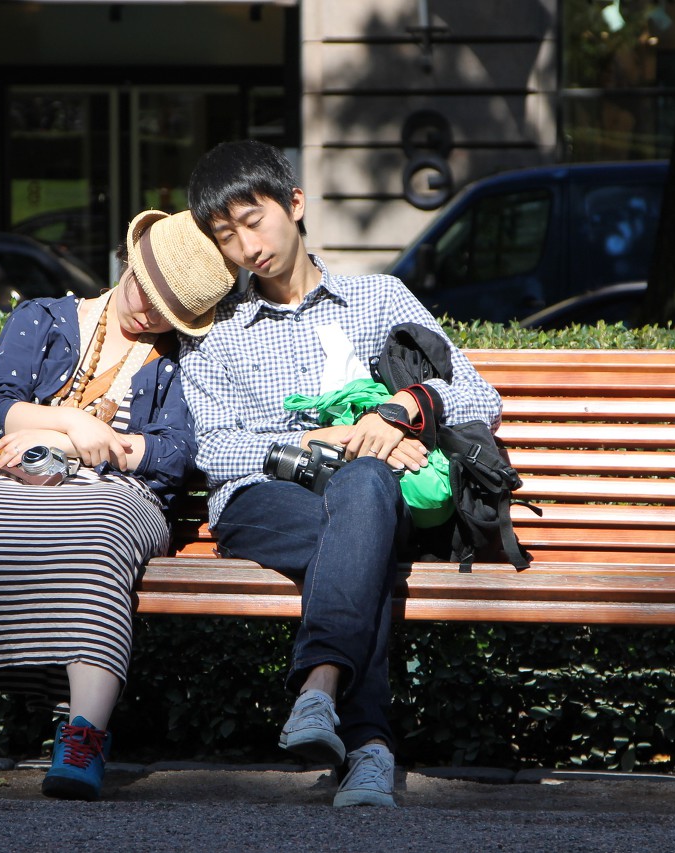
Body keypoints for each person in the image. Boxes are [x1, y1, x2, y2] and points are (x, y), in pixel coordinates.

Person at [0, 209, 237, 801]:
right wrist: (67, 423)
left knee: (98, 535)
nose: (149, 312)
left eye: (170, 309)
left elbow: (175, 454)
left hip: (118, 493)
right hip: (13, 482)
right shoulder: (45, 318)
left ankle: (82, 736)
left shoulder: (184, 359)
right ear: (127, 263)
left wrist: (83, 445)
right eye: (146, 290)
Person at [179, 140, 502, 808]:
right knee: (367, 531)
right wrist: (314, 438)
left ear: (294, 204)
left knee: (366, 491)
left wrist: (403, 407)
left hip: (370, 492)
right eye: (225, 234)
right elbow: (212, 449)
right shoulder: (218, 330)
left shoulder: (377, 298)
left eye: (253, 218)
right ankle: (370, 746)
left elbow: (478, 395)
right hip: (262, 502)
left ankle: (321, 692)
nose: (246, 244)